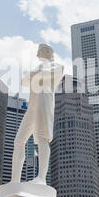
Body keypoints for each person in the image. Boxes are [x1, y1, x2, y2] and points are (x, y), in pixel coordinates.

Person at [11, 43, 64, 185]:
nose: (36, 55)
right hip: (32, 106)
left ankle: (41, 178)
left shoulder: (58, 66)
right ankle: (14, 180)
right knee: (18, 141)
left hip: (43, 103)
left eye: (39, 52)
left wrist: (32, 74)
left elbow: (43, 75)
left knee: (42, 139)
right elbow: (24, 82)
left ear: (46, 51)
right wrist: (33, 75)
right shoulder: (40, 67)